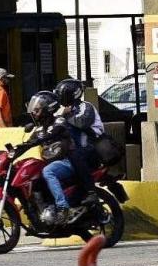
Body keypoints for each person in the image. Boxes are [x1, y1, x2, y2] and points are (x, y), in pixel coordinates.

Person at [22, 91, 75, 225]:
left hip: (67, 161)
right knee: (33, 177)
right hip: (51, 163)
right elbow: (28, 143)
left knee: (48, 171)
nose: (34, 113)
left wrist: (40, 139)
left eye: (37, 109)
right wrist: (14, 151)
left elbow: (54, 131)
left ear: (47, 109)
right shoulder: (39, 130)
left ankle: (63, 207)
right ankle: (40, 214)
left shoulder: (59, 121)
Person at [54, 79, 104, 206]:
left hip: (92, 148)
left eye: (63, 94)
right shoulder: (63, 110)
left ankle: (91, 191)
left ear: (72, 94)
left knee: (74, 156)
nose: (61, 97)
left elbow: (82, 122)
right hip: (75, 148)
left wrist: (65, 116)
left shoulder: (86, 106)